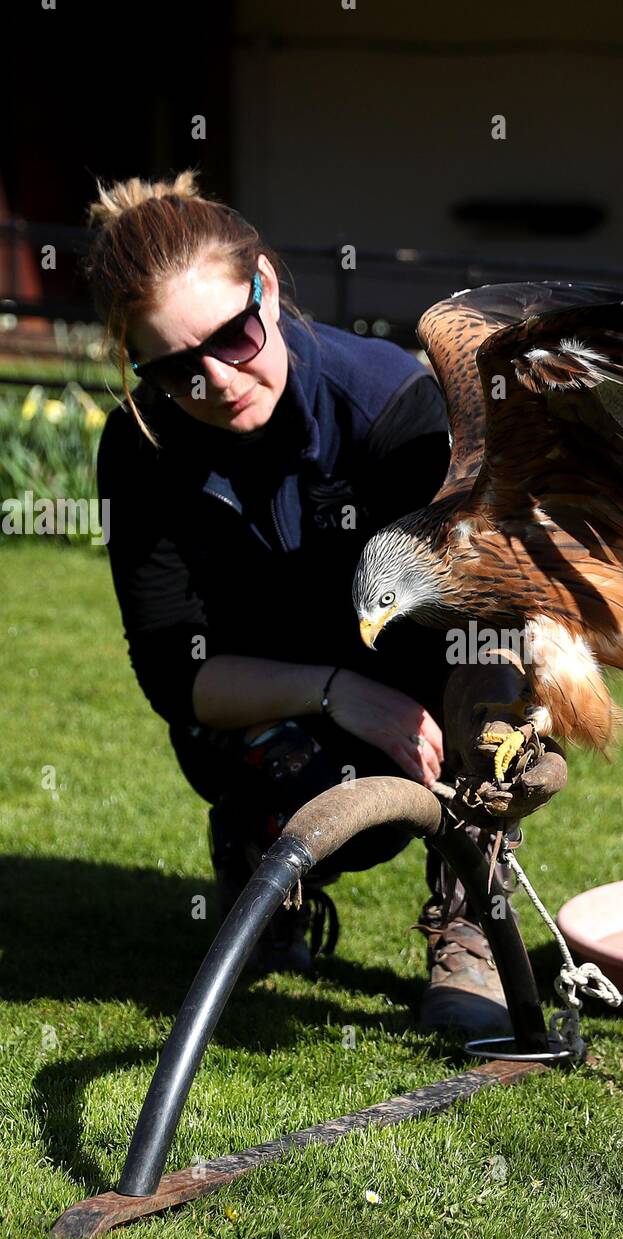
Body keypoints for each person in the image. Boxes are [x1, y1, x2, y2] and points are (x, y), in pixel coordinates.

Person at [83, 170, 520, 1036]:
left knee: (498, 658)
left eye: (235, 336)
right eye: (172, 369)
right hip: (262, 695)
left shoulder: (398, 412)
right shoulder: (139, 450)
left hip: (422, 669)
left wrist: (480, 728)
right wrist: (335, 691)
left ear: (267, 289)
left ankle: (470, 912)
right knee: (324, 804)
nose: (215, 380)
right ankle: (257, 852)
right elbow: (175, 671)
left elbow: (490, 605)